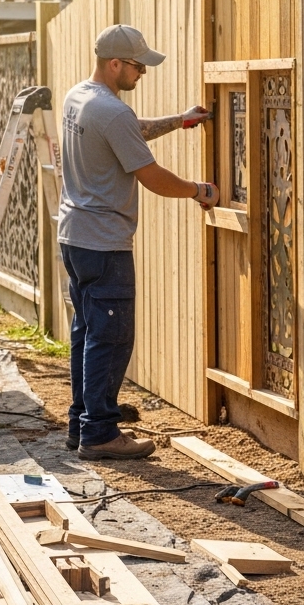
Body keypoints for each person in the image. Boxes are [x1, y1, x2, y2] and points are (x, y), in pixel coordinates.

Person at [57, 23, 219, 461]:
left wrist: (177, 121)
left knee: (87, 333)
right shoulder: (112, 112)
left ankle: (81, 423)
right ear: (114, 64)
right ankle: (101, 434)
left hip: (74, 238)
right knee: (110, 338)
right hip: (105, 244)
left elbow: (128, 132)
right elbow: (152, 177)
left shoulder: (79, 98)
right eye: (137, 66)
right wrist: (200, 191)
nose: (142, 73)